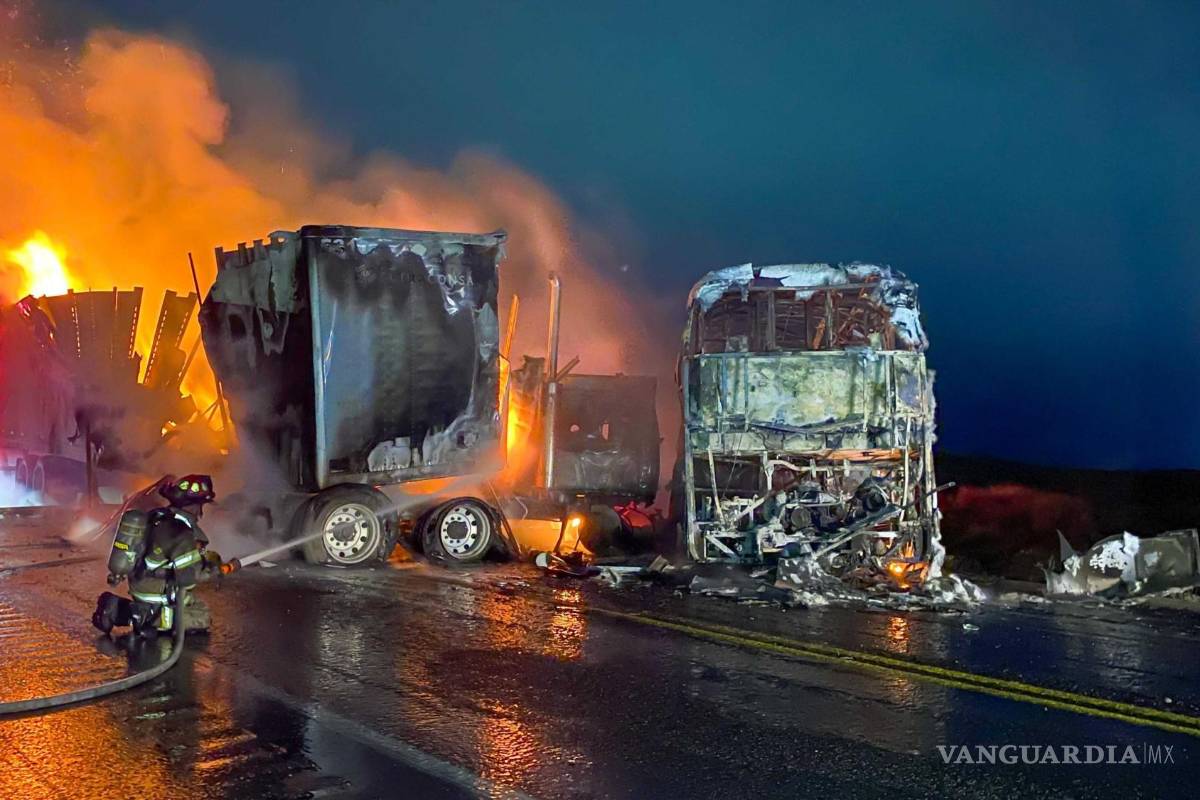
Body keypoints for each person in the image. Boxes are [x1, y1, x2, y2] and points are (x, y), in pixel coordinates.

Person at [93, 475, 223, 637]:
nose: (201, 512)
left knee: (194, 604)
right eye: (201, 506)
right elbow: (188, 580)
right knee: (201, 616)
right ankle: (141, 616)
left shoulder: (157, 516)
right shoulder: (182, 533)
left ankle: (126, 609)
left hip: (138, 585)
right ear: (196, 506)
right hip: (156, 592)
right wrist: (214, 570)